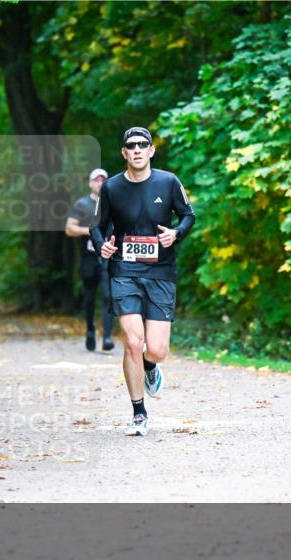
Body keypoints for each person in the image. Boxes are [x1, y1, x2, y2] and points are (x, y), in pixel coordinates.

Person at [90, 127, 196, 436]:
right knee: (133, 341)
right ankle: (138, 412)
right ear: (124, 153)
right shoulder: (111, 188)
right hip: (124, 271)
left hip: (160, 272)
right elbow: (96, 226)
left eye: (143, 145)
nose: (137, 149)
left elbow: (188, 215)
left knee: (158, 349)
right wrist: (103, 246)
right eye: (130, 145)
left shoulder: (168, 181)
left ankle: (150, 366)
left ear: (151, 151)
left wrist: (176, 233)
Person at [65, 168, 115, 352]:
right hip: (88, 259)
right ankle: (90, 330)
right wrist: (93, 232)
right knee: (89, 298)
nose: (100, 183)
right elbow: (69, 228)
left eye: (103, 180)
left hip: (108, 258)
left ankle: (108, 337)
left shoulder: (113, 203)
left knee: (109, 296)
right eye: (96, 180)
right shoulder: (82, 204)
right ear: (90, 183)